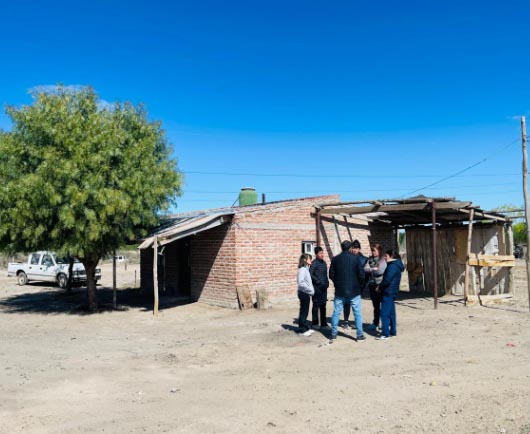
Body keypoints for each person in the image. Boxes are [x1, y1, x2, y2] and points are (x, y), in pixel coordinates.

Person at [329, 240, 366, 342]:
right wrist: (359, 285)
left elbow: (331, 275)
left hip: (340, 290)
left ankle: (333, 334)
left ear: (341, 247)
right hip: (354, 291)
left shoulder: (335, 259)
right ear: (350, 248)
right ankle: (359, 335)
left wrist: (337, 283)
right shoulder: (356, 259)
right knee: (357, 313)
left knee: (336, 312)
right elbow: (362, 274)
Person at [376, 249, 404, 341]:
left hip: (388, 291)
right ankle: (393, 331)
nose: (384, 257)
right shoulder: (396, 265)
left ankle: (385, 334)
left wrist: (379, 287)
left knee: (384, 313)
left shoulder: (392, 266)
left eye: (386, 256)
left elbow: (387, 280)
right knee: (391, 313)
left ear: (391, 257)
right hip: (392, 291)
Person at [342, 239, 367, 328]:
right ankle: (345, 321)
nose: (354, 250)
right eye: (353, 248)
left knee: (356, 306)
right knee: (347, 304)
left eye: (356, 248)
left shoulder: (363, 259)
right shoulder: (348, 258)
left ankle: (357, 322)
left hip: (357, 286)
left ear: (359, 249)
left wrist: (362, 286)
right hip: (348, 284)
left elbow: (364, 275)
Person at [364, 244, 387, 330]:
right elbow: (365, 269)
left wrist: (371, 270)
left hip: (380, 285)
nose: (373, 252)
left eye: (375, 250)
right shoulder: (369, 259)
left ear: (379, 251)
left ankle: (384, 323)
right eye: (372, 250)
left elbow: (380, 271)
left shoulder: (382, 260)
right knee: (375, 305)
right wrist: (373, 269)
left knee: (383, 305)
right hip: (372, 285)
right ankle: (375, 323)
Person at [310, 247, 329, 329]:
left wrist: (327, 282)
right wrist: (317, 281)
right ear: (316, 254)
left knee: (323, 305)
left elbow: (325, 274)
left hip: (324, 287)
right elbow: (310, 274)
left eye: (322, 253)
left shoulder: (324, 263)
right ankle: (315, 323)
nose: (322, 255)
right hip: (317, 287)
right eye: (320, 253)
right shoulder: (314, 263)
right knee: (316, 304)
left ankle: (323, 323)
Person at [297, 253, 315, 336]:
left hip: (305, 293)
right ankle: (302, 330)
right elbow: (301, 283)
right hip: (303, 293)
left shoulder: (306, 269)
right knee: (304, 311)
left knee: (305, 310)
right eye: (309, 258)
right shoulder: (303, 270)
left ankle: (304, 326)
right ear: (304, 260)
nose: (310, 260)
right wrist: (310, 289)